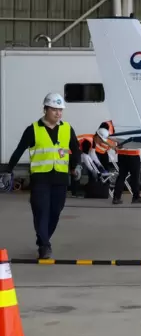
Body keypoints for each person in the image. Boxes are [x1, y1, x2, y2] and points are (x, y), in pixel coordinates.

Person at [1, 92, 81, 259]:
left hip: (60, 178)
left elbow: (75, 149)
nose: (58, 113)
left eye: (60, 110)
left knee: (55, 212)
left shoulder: (67, 128)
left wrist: (76, 166)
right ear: (45, 109)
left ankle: (43, 240)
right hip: (40, 179)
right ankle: (44, 245)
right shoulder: (33, 130)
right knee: (41, 211)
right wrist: (8, 170)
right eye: (54, 109)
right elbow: (19, 150)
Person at [100, 120, 141, 205]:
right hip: (133, 154)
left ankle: (116, 198)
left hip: (121, 154)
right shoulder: (136, 123)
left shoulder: (115, 124)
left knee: (121, 176)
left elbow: (103, 135)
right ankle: (136, 197)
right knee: (135, 177)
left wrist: (114, 146)